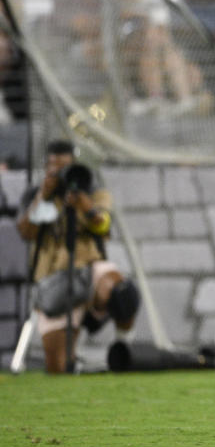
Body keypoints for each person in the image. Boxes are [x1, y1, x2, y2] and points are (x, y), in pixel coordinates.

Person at [16, 141, 140, 374]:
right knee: (59, 368)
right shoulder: (36, 195)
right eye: (56, 168)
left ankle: (123, 344)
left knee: (123, 293)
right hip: (54, 281)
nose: (62, 174)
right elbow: (25, 232)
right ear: (46, 168)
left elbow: (104, 227)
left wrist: (86, 207)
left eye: (66, 167)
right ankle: (77, 359)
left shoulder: (91, 191)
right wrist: (44, 195)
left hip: (88, 269)